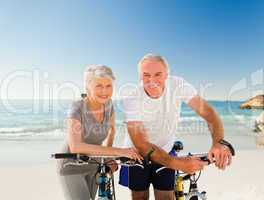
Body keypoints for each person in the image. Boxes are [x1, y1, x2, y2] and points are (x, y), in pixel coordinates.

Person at [119, 54, 233, 200]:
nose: (152, 80)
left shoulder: (178, 85)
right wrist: (178, 164)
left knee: (167, 197)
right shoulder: (132, 96)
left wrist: (218, 142)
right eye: (146, 75)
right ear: (140, 76)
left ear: (167, 74)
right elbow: (141, 143)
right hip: (136, 154)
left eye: (158, 74)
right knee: (139, 196)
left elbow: (208, 112)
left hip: (165, 149)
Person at [57, 65, 142, 200]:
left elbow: (111, 132)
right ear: (87, 87)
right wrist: (119, 151)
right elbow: (75, 147)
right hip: (71, 165)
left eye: (108, 86)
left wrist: (108, 158)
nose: (104, 91)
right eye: (99, 86)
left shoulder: (109, 105)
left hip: (94, 165)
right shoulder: (77, 107)